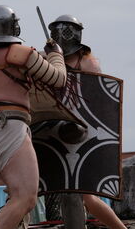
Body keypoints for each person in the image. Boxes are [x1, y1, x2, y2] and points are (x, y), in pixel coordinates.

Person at [0, 5, 67, 229]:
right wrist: (56, 54)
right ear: (13, 27)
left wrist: (42, 55)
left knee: (15, 196)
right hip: (8, 128)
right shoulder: (21, 53)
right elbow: (59, 79)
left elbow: (16, 63)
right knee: (26, 197)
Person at [46, 14, 126, 229]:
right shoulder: (49, 62)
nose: (61, 35)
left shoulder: (88, 62)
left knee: (83, 195)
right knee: (67, 192)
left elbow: (99, 101)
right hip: (56, 132)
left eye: (66, 30)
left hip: (83, 132)